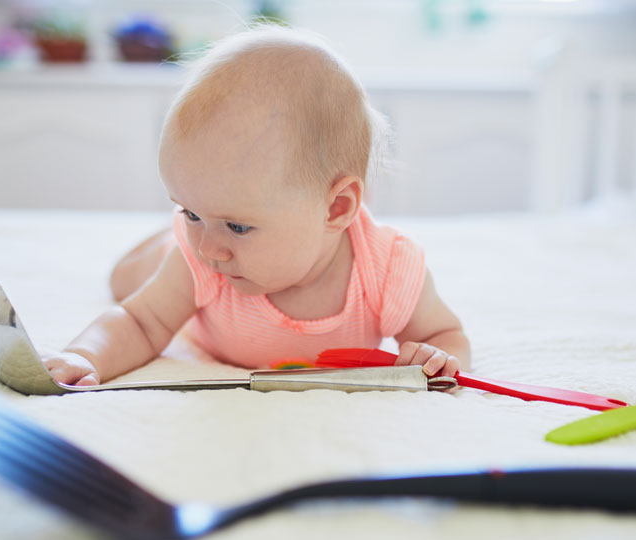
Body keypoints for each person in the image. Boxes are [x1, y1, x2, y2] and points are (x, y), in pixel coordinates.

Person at [43, 26, 470, 387]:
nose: (211, 247)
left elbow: (445, 334)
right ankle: (163, 237)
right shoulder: (200, 260)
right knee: (126, 280)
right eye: (189, 212)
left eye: (238, 226)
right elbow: (139, 323)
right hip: (178, 279)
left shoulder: (387, 270)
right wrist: (85, 357)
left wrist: (439, 358)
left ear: (337, 208)